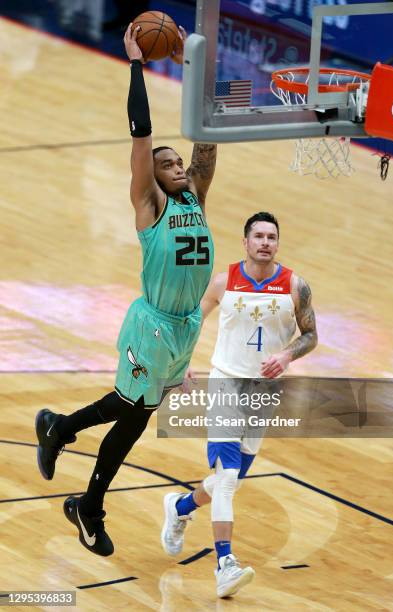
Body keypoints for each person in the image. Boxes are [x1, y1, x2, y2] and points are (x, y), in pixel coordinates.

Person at [35, 24, 217, 557]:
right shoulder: (150, 205)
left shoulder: (194, 200)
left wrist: (191, 64)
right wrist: (138, 65)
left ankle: (60, 429)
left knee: (135, 411)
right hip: (154, 322)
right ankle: (87, 507)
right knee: (133, 413)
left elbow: (205, 138)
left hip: (184, 327)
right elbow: (142, 134)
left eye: (179, 162)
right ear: (152, 178)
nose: (179, 166)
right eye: (168, 164)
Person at [160, 211, 318, 598]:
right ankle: (224, 565)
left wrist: (286, 356)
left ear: (277, 244)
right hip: (226, 382)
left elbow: (311, 334)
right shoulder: (222, 282)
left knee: (233, 477)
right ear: (245, 242)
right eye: (258, 236)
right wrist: (179, 366)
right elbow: (192, 323)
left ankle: (180, 508)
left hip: (263, 391)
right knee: (227, 479)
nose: (265, 242)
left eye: (272, 237)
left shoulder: (296, 286)